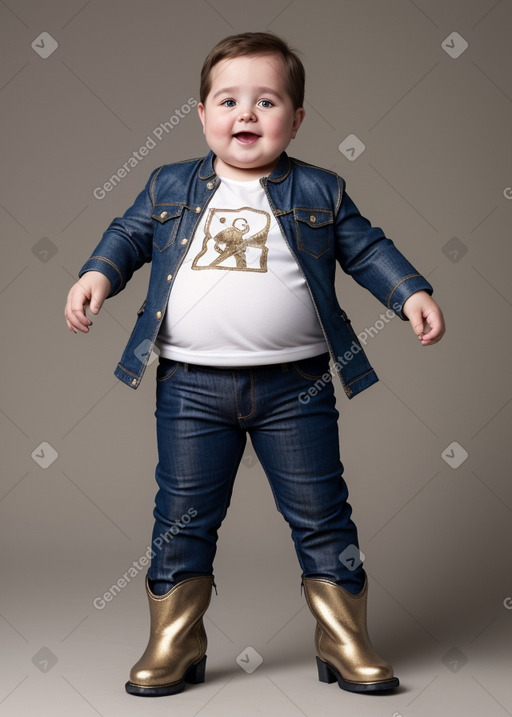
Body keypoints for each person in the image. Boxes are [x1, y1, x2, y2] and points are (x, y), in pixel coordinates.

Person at [64, 32, 445, 698]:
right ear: (202, 113)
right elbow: (128, 234)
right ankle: (174, 640)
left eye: (266, 101)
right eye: (229, 100)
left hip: (294, 387)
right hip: (190, 386)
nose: (246, 114)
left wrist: (410, 290)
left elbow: (365, 248)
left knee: (323, 513)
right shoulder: (170, 184)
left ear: (295, 120)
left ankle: (344, 635)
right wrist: (98, 272)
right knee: (180, 514)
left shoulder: (320, 189)